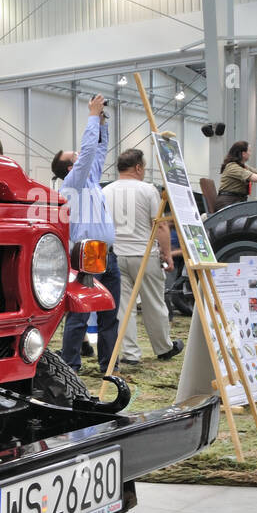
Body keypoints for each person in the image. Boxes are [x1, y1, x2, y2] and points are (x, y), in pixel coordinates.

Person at [49, 94, 120, 372]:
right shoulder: (72, 182)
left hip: (107, 253)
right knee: (80, 313)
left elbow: (98, 151)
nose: (79, 156)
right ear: (70, 168)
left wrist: (102, 123)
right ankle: (70, 366)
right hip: (88, 253)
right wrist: (91, 116)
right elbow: (89, 152)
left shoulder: (89, 180)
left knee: (109, 313)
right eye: (74, 157)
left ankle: (109, 366)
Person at [102, 149, 184, 366]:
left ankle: (129, 353)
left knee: (123, 308)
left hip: (116, 255)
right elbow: (161, 226)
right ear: (138, 167)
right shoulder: (148, 190)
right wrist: (167, 255)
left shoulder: (106, 191)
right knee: (154, 303)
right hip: (145, 254)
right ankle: (164, 348)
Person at [216, 141, 257, 209]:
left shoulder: (243, 166)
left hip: (237, 201)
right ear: (243, 153)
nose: (250, 153)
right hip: (228, 202)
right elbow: (251, 176)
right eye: (249, 151)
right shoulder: (232, 167)